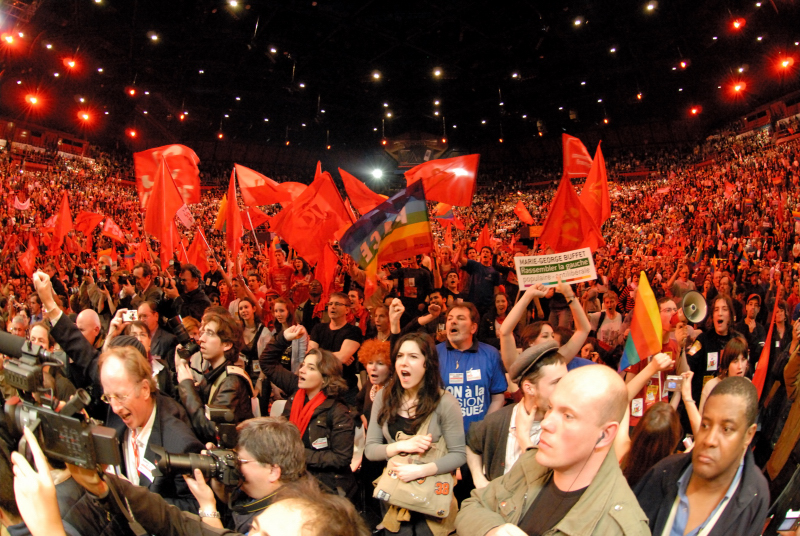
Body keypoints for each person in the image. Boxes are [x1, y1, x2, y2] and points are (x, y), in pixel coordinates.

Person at [455, 365, 649, 536]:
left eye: (568, 416)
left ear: (605, 435)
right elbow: (473, 505)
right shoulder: (531, 463)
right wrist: (494, 530)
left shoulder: (621, 527)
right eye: (550, 408)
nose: (546, 422)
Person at [633, 377, 770, 536]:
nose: (710, 440)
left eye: (726, 429)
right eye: (705, 425)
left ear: (749, 435)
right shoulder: (663, 473)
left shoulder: (755, 495)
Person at [365, 332, 466, 535]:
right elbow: (371, 450)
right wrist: (401, 446)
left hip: (430, 504)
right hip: (395, 497)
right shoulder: (384, 397)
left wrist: (422, 470)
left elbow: (459, 455)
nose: (404, 363)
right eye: (400, 356)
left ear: (427, 364)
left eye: (413, 356)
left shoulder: (445, 402)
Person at [98, 346, 204, 512]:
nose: (115, 408)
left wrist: (138, 503)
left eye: (120, 396)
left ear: (145, 389)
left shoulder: (180, 443)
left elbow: (196, 506)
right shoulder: (117, 414)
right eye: (108, 397)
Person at [258, 325, 357, 499]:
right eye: (303, 365)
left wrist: (297, 454)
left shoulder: (338, 410)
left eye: (311, 368)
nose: (302, 370)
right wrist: (283, 338)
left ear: (325, 377)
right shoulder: (296, 389)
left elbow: (341, 458)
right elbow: (267, 363)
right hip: (293, 478)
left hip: (325, 488)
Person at [466, 340, 568, 487]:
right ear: (529, 388)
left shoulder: (565, 427)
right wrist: (478, 478)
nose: (565, 387)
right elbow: (471, 442)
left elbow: (542, 482)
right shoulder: (499, 420)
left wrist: (524, 438)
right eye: (556, 382)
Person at [176, 310, 255, 443]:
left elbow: (212, 431)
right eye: (203, 333)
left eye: (210, 334)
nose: (201, 339)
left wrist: (187, 387)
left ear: (227, 345)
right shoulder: (213, 374)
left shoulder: (231, 381)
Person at [308, 291, 363, 406]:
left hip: (346, 390)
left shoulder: (354, 331)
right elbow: (310, 356)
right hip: (321, 388)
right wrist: (337, 357)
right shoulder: (318, 329)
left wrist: (319, 356)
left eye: (337, 304)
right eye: (330, 304)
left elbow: (343, 357)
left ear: (347, 309)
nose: (332, 307)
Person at [621, 402, 681, 487]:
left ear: (639, 428)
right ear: (673, 438)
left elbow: (625, 400)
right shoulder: (674, 474)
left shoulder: (622, 450)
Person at [733, 294, 766, 372]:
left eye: (756, 305)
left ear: (759, 309)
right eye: (750, 304)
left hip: (754, 369)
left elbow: (759, 352)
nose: (753, 307)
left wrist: (752, 333)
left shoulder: (761, 329)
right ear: (746, 307)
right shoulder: (737, 327)